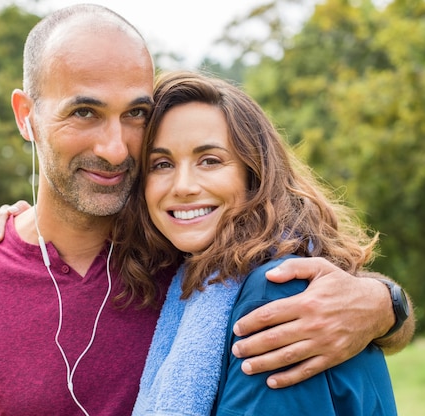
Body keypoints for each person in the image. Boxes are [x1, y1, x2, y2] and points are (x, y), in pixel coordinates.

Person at [0, 4, 413, 416]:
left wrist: (384, 304)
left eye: (135, 114)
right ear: (27, 116)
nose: (113, 148)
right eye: (84, 112)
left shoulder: (196, 257)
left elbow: (314, 294)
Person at [119, 70, 396, 414]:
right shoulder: (186, 279)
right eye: (161, 164)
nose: (183, 186)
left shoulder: (279, 291)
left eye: (210, 160)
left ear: (254, 174)